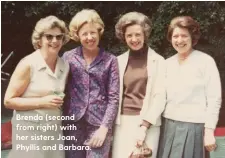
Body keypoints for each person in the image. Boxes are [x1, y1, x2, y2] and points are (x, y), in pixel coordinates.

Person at [4, 15, 70, 158]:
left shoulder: (64, 65)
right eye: (49, 37)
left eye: (59, 37)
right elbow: (8, 101)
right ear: (39, 40)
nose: (54, 41)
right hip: (29, 133)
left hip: (53, 131)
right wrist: (42, 102)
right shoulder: (28, 64)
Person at [157, 16, 222, 158]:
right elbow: (159, 99)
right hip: (168, 128)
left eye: (184, 36)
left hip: (194, 128)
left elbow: (214, 98)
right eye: (175, 36)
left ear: (192, 37)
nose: (179, 40)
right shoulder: (166, 64)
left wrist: (209, 131)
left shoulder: (205, 61)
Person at [62, 9, 120, 158]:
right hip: (73, 124)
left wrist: (104, 128)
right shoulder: (68, 57)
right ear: (77, 35)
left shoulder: (110, 60)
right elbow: (59, 87)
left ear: (99, 31)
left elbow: (113, 98)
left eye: (93, 32)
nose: (89, 37)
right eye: (84, 34)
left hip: (99, 125)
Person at [112, 12, 166, 158]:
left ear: (145, 34)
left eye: (138, 34)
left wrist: (144, 126)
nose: (134, 39)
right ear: (124, 37)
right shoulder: (117, 61)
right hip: (122, 124)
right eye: (129, 35)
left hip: (148, 124)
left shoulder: (159, 61)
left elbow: (160, 97)